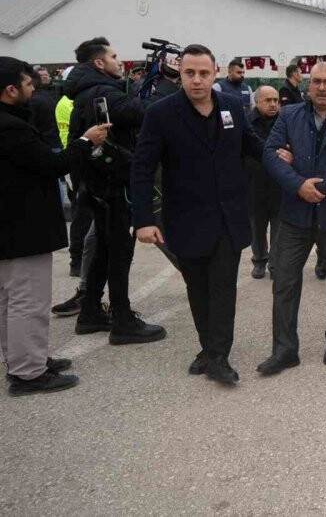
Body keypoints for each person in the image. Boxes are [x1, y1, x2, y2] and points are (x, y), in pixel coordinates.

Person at [132, 44, 263, 386]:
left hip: (228, 218)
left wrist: (287, 162)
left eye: (204, 73)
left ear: (215, 73)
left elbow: (254, 148)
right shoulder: (161, 114)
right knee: (197, 288)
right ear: (181, 74)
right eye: (190, 73)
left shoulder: (232, 106)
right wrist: (143, 219)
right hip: (186, 219)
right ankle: (208, 347)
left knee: (222, 288)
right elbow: (143, 168)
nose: (197, 80)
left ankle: (218, 356)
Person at [1, 57, 110, 395]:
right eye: (28, 84)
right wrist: (85, 141)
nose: (34, 88)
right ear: (10, 90)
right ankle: (28, 373)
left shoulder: (11, 122)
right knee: (27, 301)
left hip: (11, 230)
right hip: (22, 230)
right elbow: (51, 164)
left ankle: (24, 359)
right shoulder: (11, 128)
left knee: (10, 301)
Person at [257, 63, 326, 375]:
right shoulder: (289, 115)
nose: (322, 87)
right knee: (284, 281)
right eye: (317, 81)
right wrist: (298, 186)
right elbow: (270, 154)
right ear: (309, 86)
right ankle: (284, 350)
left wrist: (317, 187)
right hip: (295, 214)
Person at [64, 37, 165, 344]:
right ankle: (123, 320)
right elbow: (140, 112)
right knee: (120, 251)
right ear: (99, 62)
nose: (119, 61)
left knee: (106, 249)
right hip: (114, 184)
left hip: (97, 184)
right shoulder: (103, 92)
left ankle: (91, 311)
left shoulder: (87, 91)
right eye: (114, 56)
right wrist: (152, 87)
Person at [247, 86, 283, 279]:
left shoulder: (284, 122)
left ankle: (275, 263)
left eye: (276, 100)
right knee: (257, 228)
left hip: (279, 185)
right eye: (268, 100)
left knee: (278, 227)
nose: (273, 104)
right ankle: (259, 260)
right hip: (255, 184)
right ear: (257, 102)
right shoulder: (247, 122)